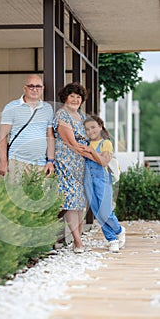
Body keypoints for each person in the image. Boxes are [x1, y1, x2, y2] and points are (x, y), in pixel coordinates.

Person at [53, 82, 93, 253]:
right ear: (65, 97)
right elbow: (71, 142)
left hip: (81, 163)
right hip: (66, 161)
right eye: (72, 96)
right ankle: (77, 242)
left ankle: (78, 238)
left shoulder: (82, 117)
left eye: (79, 97)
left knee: (80, 201)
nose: (76, 99)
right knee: (70, 200)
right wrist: (92, 155)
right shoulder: (62, 115)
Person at [0, 75, 55, 182]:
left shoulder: (48, 108)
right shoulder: (11, 107)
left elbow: (50, 136)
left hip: (41, 164)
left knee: (41, 197)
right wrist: (3, 162)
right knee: (17, 197)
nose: (35, 89)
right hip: (17, 162)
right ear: (25, 88)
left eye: (38, 86)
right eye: (31, 86)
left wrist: (50, 161)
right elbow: (2, 137)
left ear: (43, 88)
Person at [83, 115, 126, 253]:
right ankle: (111, 239)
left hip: (102, 178)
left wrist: (89, 151)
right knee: (96, 210)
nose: (91, 131)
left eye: (93, 127)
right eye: (87, 129)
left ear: (100, 127)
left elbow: (104, 161)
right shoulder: (86, 142)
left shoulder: (106, 143)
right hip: (88, 179)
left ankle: (119, 230)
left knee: (105, 210)